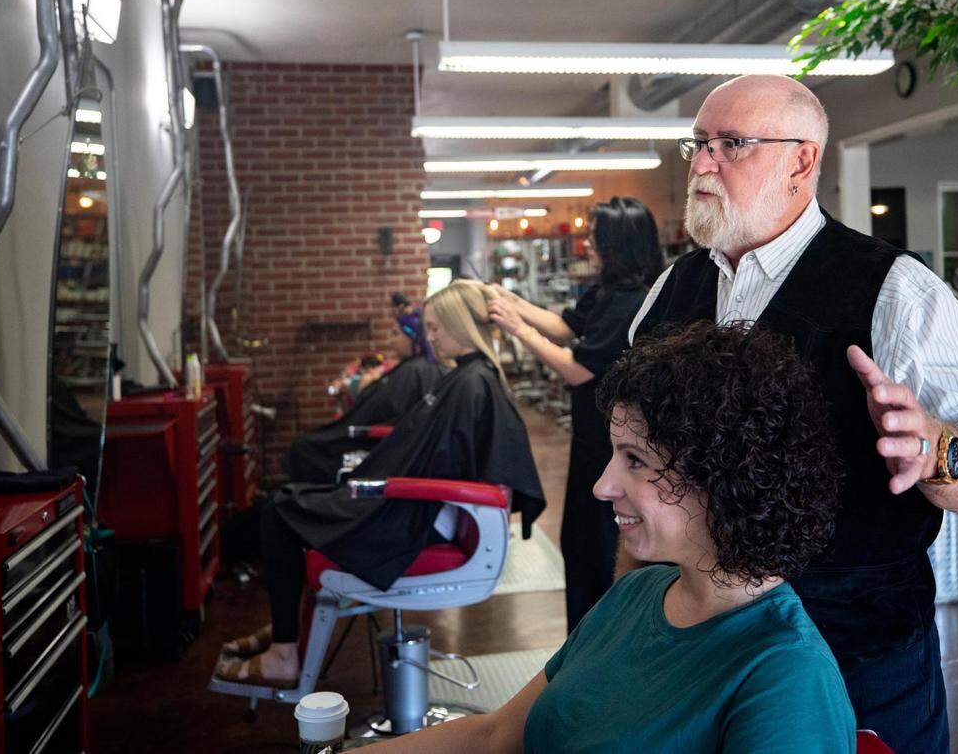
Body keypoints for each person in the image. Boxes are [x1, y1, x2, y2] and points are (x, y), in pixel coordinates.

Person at [628, 75, 958, 754]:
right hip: (695, 647)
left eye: (730, 144)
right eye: (697, 144)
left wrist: (936, 447)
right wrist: (626, 615)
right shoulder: (673, 289)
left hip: (855, 654)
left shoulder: (895, 291)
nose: (701, 163)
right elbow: (639, 473)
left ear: (802, 161)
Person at [352, 322, 856, 754]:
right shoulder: (637, 595)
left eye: (635, 459)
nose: (602, 485)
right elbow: (495, 735)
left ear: (722, 476)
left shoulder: (786, 676)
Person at [214, 280, 545, 688]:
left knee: (282, 511)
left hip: (419, 513)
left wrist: (376, 487)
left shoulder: (471, 383)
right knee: (286, 504)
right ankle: (287, 632)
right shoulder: (468, 377)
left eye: (436, 326)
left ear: (459, 325)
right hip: (424, 507)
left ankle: (284, 654)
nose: (431, 336)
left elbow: (440, 466)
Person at [488, 196, 664, 632]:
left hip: (612, 447)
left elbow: (577, 368)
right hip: (589, 440)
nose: (586, 244)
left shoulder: (633, 301)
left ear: (617, 243)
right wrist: (510, 300)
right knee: (577, 541)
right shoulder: (606, 291)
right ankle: (580, 643)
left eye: (594, 238)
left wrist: (516, 328)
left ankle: (596, 644)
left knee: (597, 548)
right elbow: (564, 325)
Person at [283, 302, 445, 484]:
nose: (391, 341)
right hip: (375, 438)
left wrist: (365, 388)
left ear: (413, 337)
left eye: (396, 334)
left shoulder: (415, 371)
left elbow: (382, 412)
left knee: (304, 448)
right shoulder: (415, 368)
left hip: (376, 444)